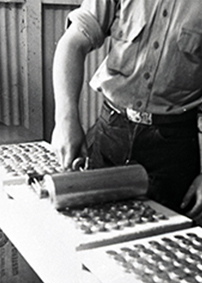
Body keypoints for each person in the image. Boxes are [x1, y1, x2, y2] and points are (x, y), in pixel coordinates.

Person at [51, 1, 202, 223]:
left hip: (173, 146)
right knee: (93, 229)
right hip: (112, 132)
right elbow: (72, 44)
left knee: (159, 247)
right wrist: (65, 121)